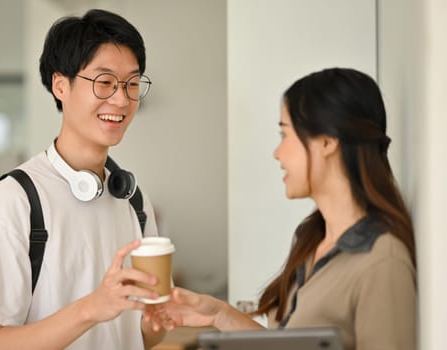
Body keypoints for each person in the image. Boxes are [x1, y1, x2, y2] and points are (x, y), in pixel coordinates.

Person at [146, 68, 416, 350]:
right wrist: (218, 314)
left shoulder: (382, 260)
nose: (278, 152)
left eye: (285, 134)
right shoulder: (310, 239)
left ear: (327, 142)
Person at [0, 9, 166, 350]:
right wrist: (91, 308)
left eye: (131, 83)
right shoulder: (17, 197)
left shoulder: (133, 199)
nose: (121, 99)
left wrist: (157, 319)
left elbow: (144, 335)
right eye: (104, 83)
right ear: (60, 86)